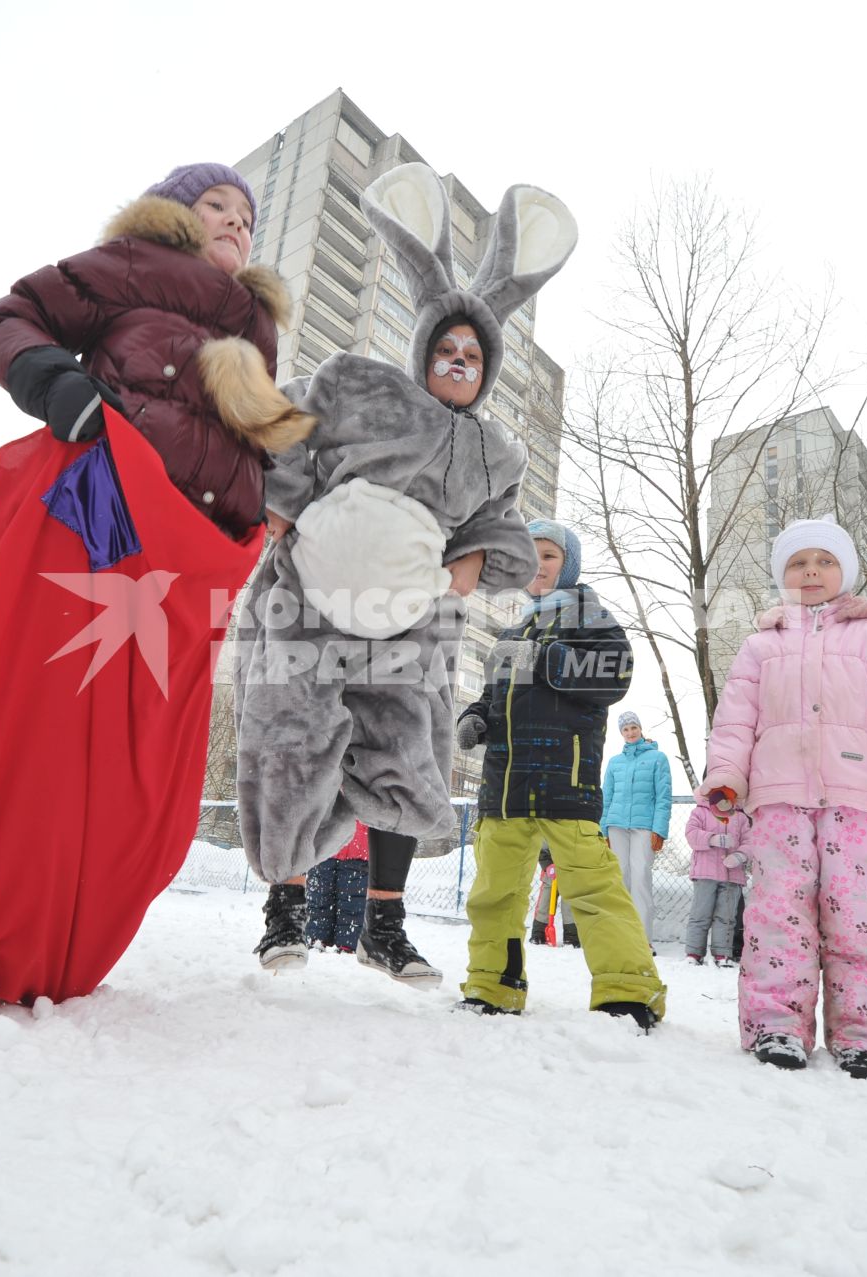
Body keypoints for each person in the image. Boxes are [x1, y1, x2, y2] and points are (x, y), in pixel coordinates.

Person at [0, 163, 309, 1021]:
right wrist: (54, 383)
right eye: (218, 206)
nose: (238, 224)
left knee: (147, 768)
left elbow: (247, 428)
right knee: (43, 716)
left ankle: (60, 937)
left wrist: (275, 491)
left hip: (201, 550)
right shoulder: (130, 264)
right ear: (174, 211)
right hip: (105, 496)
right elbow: (10, 318)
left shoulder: (256, 323)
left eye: (249, 217)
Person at [237, 162, 576, 985]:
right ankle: (282, 910)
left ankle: (382, 923)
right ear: (423, 349)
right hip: (309, 609)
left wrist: (461, 577)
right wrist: (283, 508)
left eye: (473, 354)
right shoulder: (357, 385)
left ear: (486, 370)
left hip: (406, 629)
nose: (460, 360)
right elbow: (288, 433)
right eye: (447, 348)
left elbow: (503, 539)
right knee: (294, 745)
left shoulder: (495, 451)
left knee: (402, 760)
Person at [698, 517, 867, 1077]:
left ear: (845, 571)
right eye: (798, 563)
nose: (811, 571)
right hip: (778, 800)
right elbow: (734, 722)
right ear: (782, 577)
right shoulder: (762, 646)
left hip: (855, 800)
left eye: (824, 561)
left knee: (857, 917)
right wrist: (726, 776)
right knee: (777, 914)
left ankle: (866, 1038)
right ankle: (777, 1027)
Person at [455, 522, 665, 1030]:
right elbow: (492, 693)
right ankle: (492, 984)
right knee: (494, 893)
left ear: (567, 564)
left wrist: (552, 658)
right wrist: (475, 717)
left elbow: (615, 673)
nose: (539, 565)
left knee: (593, 891)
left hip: (565, 784)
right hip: (503, 787)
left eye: (549, 555)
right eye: (529, 557)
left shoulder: (589, 615)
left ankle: (628, 991)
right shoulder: (511, 631)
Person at [601, 710, 672, 942]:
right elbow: (607, 798)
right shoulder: (614, 762)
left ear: (640, 729)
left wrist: (659, 829)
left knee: (640, 875)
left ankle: (642, 939)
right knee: (620, 877)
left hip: (644, 825)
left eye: (633, 727)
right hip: (616, 825)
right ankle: (621, 937)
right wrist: (603, 829)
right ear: (621, 733)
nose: (630, 732)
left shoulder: (657, 758)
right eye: (625, 729)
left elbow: (663, 797)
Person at [681, 794, 748, 967]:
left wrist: (741, 855)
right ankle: (694, 952)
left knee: (726, 917)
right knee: (700, 914)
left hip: (732, 875)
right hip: (705, 873)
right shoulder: (700, 812)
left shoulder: (740, 817)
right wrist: (711, 839)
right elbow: (691, 834)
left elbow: (750, 841)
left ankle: (722, 953)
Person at [304, 822, 370, 954]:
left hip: (349, 849)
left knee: (353, 903)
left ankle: (347, 943)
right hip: (327, 847)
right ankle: (317, 938)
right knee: (320, 899)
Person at [529, 846, 577, 947]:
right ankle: (539, 932)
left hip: (572, 868)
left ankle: (571, 936)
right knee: (545, 901)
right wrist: (547, 864)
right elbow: (541, 847)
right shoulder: (547, 833)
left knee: (570, 903)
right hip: (550, 866)